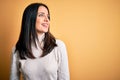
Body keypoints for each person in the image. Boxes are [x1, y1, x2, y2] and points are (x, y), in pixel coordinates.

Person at [10, 2, 70, 80]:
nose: (47, 20)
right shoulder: (17, 49)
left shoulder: (58, 46)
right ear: (30, 19)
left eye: (48, 16)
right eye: (41, 15)